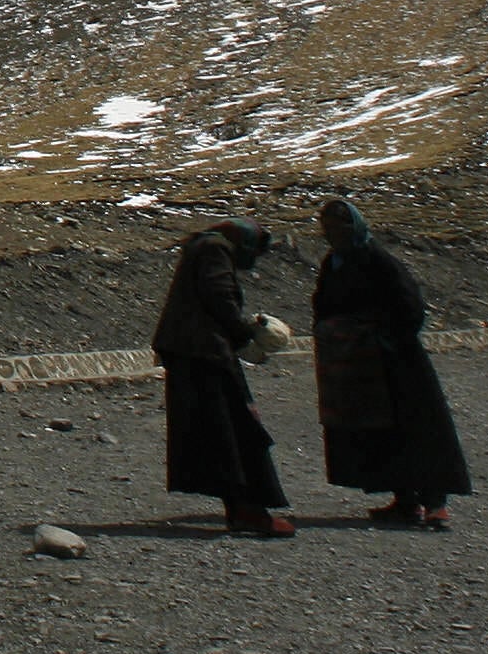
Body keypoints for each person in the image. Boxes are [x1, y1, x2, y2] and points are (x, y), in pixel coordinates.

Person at [311, 198, 471, 528]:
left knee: (417, 427)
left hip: (397, 361)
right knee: (380, 429)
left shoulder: (377, 260)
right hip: (360, 363)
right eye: (326, 228)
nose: (331, 234)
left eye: (337, 226)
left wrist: (382, 336)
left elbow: (410, 306)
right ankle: (404, 500)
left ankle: (435, 501)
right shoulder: (335, 263)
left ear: (352, 225)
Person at [153, 218, 295, 537]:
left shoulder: (200, 247)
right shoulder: (215, 250)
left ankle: (239, 507)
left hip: (189, 350)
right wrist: (245, 335)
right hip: (206, 352)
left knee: (217, 431)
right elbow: (220, 299)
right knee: (236, 429)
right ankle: (249, 509)